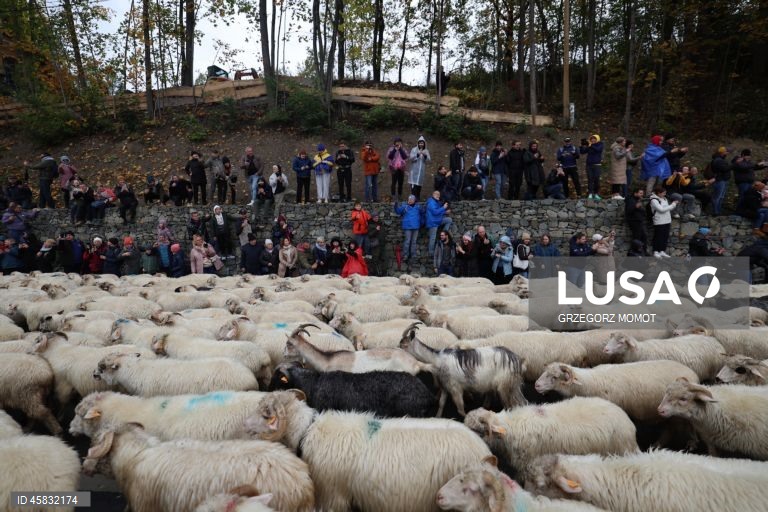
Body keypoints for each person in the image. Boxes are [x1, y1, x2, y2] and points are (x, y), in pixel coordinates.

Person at [393, 195, 422, 271]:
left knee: (414, 242)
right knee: (407, 241)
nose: (410, 200)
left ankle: (413, 255)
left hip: (416, 226)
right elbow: (398, 211)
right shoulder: (404, 206)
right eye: (409, 199)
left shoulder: (418, 207)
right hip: (407, 226)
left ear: (414, 200)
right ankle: (405, 255)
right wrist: (396, 205)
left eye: (411, 199)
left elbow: (423, 212)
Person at [649, 186, 678, 259]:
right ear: (658, 193)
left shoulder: (665, 198)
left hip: (667, 220)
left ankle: (662, 251)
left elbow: (667, 209)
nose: (665, 194)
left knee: (665, 236)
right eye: (663, 193)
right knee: (658, 236)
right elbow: (661, 210)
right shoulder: (654, 200)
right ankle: (656, 251)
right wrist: (673, 205)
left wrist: (672, 206)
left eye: (665, 193)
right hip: (659, 221)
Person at [425, 190, 452, 257]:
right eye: (437, 194)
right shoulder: (431, 202)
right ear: (433, 194)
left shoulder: (436, 202)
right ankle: (431, 253)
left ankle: (444, 234)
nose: (438, 196)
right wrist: (443, 208)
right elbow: (435, 212)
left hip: (437, 220)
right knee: (433, 238)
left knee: (449, 220)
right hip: (432, 222)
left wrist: (445, 212)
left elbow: (438, 212)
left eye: (439, 195)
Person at [580, 134, 604, 200]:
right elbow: (582, 152)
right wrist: (582, 145)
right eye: (591, 139)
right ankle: (590, 193)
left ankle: (596, 194)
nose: (593, 140)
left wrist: (591, 145)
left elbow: (598, 150)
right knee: (590, 179)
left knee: (596, 179)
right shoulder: (590, 146)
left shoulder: (600, 144)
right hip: (589, 165)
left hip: (597, 165)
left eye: (594, 139)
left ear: (597, 139)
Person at [710, 146, 732, 216]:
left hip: (723, 180)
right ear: (722, 152)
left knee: (721, 197)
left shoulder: (720, 159)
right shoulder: (718, 160)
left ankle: (718, 212)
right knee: (717, 197)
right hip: (720, 180)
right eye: (726, 152)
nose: (727, 153)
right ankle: (715, 212)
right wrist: (733, 165)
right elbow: (725, 169)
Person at [625, 187, 648, 253]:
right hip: (634, 221)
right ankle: (634, 253)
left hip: (639, 221)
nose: (642, 195)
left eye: (642, 193)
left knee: (644, 236)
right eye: (640, 193)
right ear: (635, 193)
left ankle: (644, 252)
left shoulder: (638, 200)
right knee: (637, 237)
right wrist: (635, 206)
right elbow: (628, 211)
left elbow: (641, 210)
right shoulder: (630, 200)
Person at [408, 136, 431, 200]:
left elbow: (429, 160)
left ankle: (418, 199)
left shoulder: (426, 151)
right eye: (420, 143)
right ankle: (412, 200)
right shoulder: (414, 149)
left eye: (422, 143)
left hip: (421, 172)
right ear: (418, 143)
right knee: (413, 187)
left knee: (419, 187)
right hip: (414, 171)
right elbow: (411, 158)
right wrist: (417, 154)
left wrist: (425, 155)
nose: (421, 144)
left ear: (424, 144)